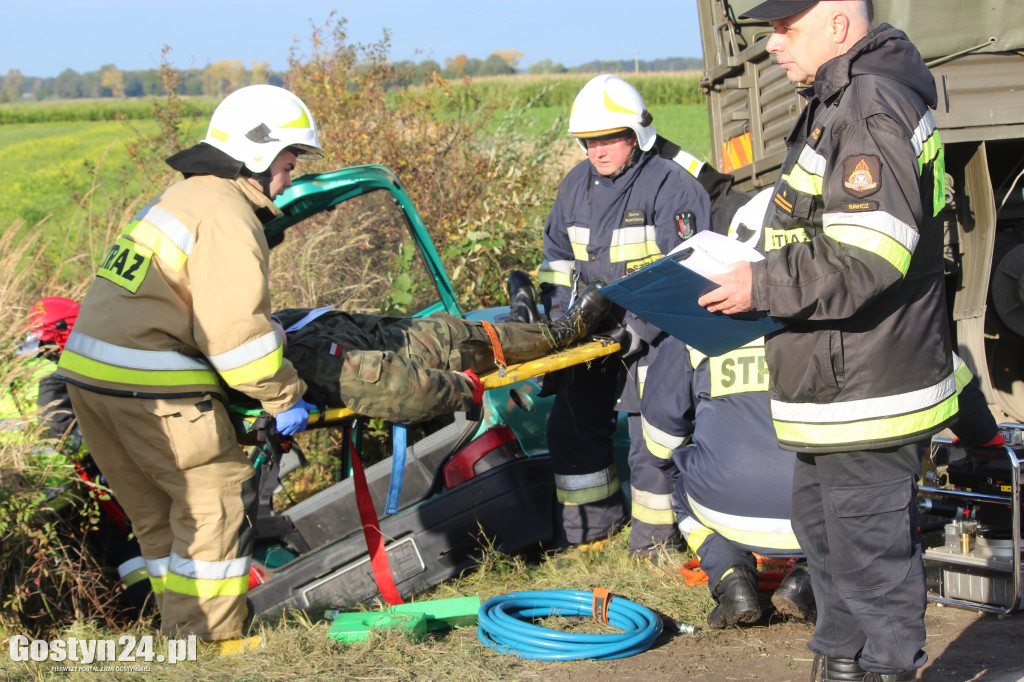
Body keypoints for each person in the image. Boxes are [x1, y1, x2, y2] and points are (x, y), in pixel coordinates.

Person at [698, 2, 955, 679]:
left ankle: (884, 669)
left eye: (785, 28)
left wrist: (760, 286)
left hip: (868, 390)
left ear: (839, 23)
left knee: (871, 568)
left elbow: (870, 256)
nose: (771, 45)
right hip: (832, 388)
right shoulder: (835, 100)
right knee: (830, 555)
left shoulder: (869, 108)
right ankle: (839, 665)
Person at [57, 84, 323, 650]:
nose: (290, 176)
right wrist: (284, 396)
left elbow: (175, 307)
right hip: (152, 391)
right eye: (288, 161)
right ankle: (213, 646)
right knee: (216, 506)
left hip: (91, 382)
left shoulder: (182, 199)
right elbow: (235, 340)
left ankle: (180, 638)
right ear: (257, 153)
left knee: (160, 519)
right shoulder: (228, 214)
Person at [535, 74, 712, 556]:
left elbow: (687, 275)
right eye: (588, 141)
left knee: (651, 441)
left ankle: (654, 548)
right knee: (570, 428)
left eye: (608, 138)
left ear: (637, 136)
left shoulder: (673, 187)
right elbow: (556, 262)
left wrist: (638, 330)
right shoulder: (575, 186)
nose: (597, 150)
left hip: (659, 336)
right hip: (590, 334)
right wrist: (559, 327)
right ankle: (590, 540)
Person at [641, 334, 814, 629]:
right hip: (815, 511)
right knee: (862, 504)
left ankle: (731, 578)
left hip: (721, 506)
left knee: (683, 494)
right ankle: (811, 580)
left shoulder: (690, 331)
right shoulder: (827, 320)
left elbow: (660, 443)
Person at [269, 280, 610, 424]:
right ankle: (565, 331)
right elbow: (397, 389)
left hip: (434, 336)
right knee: (546, 339)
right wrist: (462, 387)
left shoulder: (286, 325)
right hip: (449, 350)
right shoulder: (307, 357)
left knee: (486, 334)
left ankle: (527, 320)